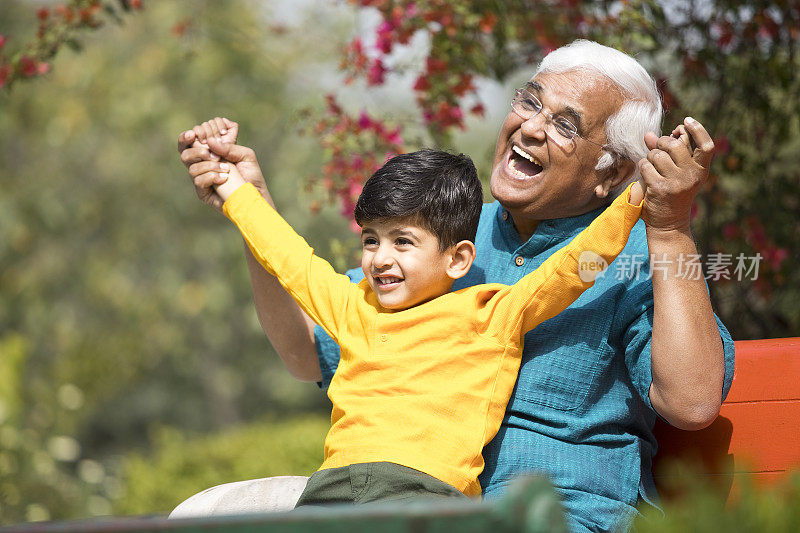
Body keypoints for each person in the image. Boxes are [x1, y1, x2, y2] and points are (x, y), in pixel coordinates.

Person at [177, 40, 735, 532]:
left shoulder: (638, 257)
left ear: (609, 175)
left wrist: (667, 227)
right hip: (410, 509)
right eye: (530, 101)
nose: (533, 126)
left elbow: (691, 402)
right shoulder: (448, 234)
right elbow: (307, 348)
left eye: (566, 126)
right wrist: (250, 207)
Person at [209, 146, 643, 504]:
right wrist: (233, 188)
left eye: (403, 241)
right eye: (371, 239)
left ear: (457, 259)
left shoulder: (491, 315)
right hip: (333, 493)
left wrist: (641, 193)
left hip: (426, 496)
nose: (380, 258)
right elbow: (288, 257)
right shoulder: (353, 305)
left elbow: (574, 267)